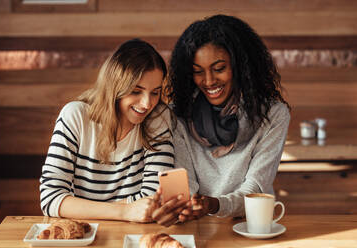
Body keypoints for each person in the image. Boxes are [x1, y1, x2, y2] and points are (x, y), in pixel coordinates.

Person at [153, 14, 290, 224]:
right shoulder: (176, 116)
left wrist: (214, 205)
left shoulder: (273, 115)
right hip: (198, 227)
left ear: (242, 68)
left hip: (250, 225)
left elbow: (255, 189)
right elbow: (184, 181)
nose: (208, 81)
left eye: (219, 69)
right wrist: (184, 207)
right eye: (198, 72)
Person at [39, 39, 175, 223]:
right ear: (114, 87)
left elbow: (153, 201)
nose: (147, 104)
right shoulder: (76, 116)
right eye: (136, 91)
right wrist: (125, 212)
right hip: (86, 235)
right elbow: (50, 199)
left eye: (155, 92)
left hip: (135, 234)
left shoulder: (158, 117)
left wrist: (81, 207)